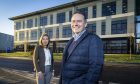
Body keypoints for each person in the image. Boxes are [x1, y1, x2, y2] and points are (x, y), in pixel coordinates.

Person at [59, 11, 104, 84]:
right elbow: (64, 66)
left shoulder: (93, 39)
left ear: (85, 24)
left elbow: (95, 68)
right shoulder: (71, 40)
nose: (75, 24)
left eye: (79, 21)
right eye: (73, 21)